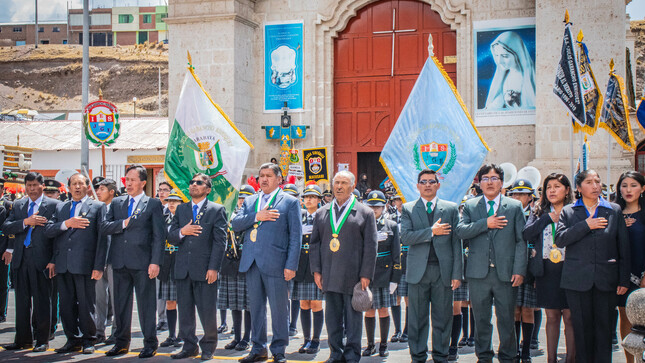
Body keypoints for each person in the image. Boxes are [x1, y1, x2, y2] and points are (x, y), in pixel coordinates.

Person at [555, 169, 630, 363]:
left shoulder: (613, 209)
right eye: (589, 182)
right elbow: (561, 239)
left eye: (597, 181)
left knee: (604, 329)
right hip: (577, 281)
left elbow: (623, 247)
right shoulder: (569, 211)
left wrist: (623, 279)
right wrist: (586, 225)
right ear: (579, 188)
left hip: (606, 279)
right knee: (581, 329)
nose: (595, 185)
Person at [456, 164, 527, 363]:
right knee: (481, 320)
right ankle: (484, 356)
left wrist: (519, 270)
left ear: (502, 183)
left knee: (506, 319)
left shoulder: (514, 207)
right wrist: (484, 224)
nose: (489, 182)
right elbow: (461, 231)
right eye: (485, 178)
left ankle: (508, 356)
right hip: (478, 273)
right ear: (479, 182)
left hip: (506, 273)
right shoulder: (471, 206)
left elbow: (521, 241)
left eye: (494, 178)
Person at [231, 163, 301, 363]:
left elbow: (295, 237)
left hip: (277, 263)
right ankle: (258, 348)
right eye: (261, 175)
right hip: (252, 262)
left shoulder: (289, 202)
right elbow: (236, 224)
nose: (264, 179)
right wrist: (256, 217)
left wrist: (291, 265)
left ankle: (279, 349)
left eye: (269, 175)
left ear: (279, 179)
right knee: (256, 308)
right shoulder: (251, 200)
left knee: (279, 308)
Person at [310, 170, 377, 363]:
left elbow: (371, 246)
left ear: (353, 187)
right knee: (332, 319)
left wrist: (366, 274)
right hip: (329, 275)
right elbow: (314, 244)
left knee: (353, 319)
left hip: (354, 276)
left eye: (343, 183)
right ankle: (335, 353)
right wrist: (317, 270)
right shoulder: (322, 212)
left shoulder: (364, 212)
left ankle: (352, 354)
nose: (339, 186)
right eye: (336, 182)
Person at [101, 165, 165, 358]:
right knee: (120, 305)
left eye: (132, 180)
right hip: (119, 262)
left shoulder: (152, 204)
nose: (128, 183)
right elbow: (104, 227)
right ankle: (121, 343)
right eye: (126, 179)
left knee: (146, 306)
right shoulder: (117, 203)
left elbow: (158, 236)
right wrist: (123, 223)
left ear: (143, 182)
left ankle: (150, 343)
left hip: (144, 263)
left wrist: (155, 262)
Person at [402, 170, 462, 363]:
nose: (427, 185)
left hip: (442, 272)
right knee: (417, 319)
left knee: (442, 318)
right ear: (417, 185)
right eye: (423, 182)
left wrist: (456, 273)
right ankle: (418, 356)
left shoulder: (451, 209)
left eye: (431, 181)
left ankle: (441, 356)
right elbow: (405, 237)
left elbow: (456, 243)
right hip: (418, 272)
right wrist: (431, 232)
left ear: (438, 184)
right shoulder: (408, 208)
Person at [44, 173, 107, 354]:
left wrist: (99, 266)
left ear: (87, 186)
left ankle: (89, 340)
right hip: (63, 265)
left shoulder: (98, 207)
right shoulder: (61, 208)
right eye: (74, 184)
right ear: (69, 187)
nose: (77, 187)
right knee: (66, 305)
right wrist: (67, 224)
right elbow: (49, 231)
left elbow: (103, 239)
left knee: (87, 305)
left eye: (81, 183)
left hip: (86, 265)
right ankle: (73, 339)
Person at [167, 173, 227, 360]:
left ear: (208, 189)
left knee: (207, 310)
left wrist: (214, 268)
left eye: (199, 183)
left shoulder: (216, 210)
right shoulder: (182, 209)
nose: (193, 185)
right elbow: (170, 236)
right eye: (192, 182)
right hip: (183, 268)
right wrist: (182, 232)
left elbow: (220, 242)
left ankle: (208, 346)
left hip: (205, 269)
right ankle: (189, 345)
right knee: (184, 310)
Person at [2, 171, 60, 352]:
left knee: (43, 301)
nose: (32, 189)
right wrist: (26, 221)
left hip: (42, 260)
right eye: (29, 186)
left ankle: (42, 340)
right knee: (22, 302)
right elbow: (6, 226)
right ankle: (23, 339)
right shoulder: (18, 205)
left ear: (42, 186)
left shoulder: (54, 205)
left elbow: (58, 236)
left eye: (35, 185)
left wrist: (54, 260)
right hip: (21, 259)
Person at [524, 173, 575, 363]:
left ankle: (571, 358)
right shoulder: (538, 211)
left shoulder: (575, 211)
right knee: (552, 316)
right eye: (549, 187)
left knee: (570, 317)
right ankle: (551, 359)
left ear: (567, 190)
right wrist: (547, 219)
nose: (552, 191)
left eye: (557, 186)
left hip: (570, 268)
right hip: (547, 269)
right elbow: (527, 234)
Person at [362, 190, 401, 358]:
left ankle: (383, 345)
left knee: (384, 310)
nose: (374, 209)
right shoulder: (361, 223)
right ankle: (370, 345)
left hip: (385, 274)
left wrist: (395, 279)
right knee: (369, 310)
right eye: (371, 206)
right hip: (367, 273)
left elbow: (396, 253)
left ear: (384, 206)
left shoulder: (391, 225)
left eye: (377, 206)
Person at [220, 185, 255, 352]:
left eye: (245, 198)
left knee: (248, 305)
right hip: (231, 264)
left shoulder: (253, 217)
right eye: (240, 198)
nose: (242, 201)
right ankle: (237, 337)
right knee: (234, 304)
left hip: (247, 264)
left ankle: (247, 337)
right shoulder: (230, 216)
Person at [615, 171, 645, 363]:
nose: (628, 190)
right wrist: (617, 227)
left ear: (642, 188)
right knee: (625, 318)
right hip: (622, 276)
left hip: (642, 274)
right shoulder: (613, 213)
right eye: (624, 185)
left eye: (633, 185)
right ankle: (630, 360)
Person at [292, 184, 325, 355]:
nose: (309, 200)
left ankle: (316, 340)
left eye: (313, 197)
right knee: (304, 303)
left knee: (316, 303)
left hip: (316, 265)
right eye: (306, 197)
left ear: (319, 200)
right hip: (301, 264)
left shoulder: (323, 216)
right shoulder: (299, 216)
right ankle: (306, 340)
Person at [506, 178, 537, 363]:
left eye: (522, 194)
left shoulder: (535, 214)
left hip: (530, 266)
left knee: (527, 310)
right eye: (515, 194)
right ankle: (515, 349)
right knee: (514, 310)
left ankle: (526, 350)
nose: (518, 197)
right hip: (512, 266)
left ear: (529, 197)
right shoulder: (509, 213)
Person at [94, 178, 118, 345]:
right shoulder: (95, 209)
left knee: (117, 300)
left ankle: (116, 332)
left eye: (102, 189)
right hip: (98, 260)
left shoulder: (119, 208)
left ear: (111, 192)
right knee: (99, 299)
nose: (98, 192)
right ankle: (98, 331)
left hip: (115, 260)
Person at [484, 31, 536, 110]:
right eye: (497, 55)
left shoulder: (530, 76)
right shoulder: (504, 76)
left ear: (517, 54)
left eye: (504, 56)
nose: (499, 61)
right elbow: (498, 102)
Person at [158, 192, 183, 349]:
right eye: (169, 201)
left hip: (181, 262)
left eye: (175, 201)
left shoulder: (186, 219)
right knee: (169, 301)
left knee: (184, 302)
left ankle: (183, 334)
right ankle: (172, 334)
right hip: (167, 263)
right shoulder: (164, 219)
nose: (171, 203)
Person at [388, 194, 409, 344]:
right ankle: (397, 330)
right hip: (395, 261)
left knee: (408, 298)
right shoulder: (390, 218)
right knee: (395, 298)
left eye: (402, 199)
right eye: (397, 200)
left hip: (408, 259)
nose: (399, 203)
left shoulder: (412, 216)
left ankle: (407, 330)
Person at [282, 183, 301, 337]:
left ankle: (293, 324)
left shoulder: (302, 213)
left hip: (299, 259)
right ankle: (285, 322)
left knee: (295, 294)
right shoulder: (281, 211)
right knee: (285, 293)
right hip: (283, 257)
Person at [156, 181, 172, 332]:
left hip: (171, 255)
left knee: (171, 293)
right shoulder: (156, 210)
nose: (162, 193)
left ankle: (169, 320)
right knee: (159, 291)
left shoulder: (174, 211)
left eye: (165, 190)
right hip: (158, 256)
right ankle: (161, 318)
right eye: (160, 190)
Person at [0, 178, 13, 323]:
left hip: (2, 248)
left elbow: (11, 230)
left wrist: (10, 249)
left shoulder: (8, 205)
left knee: (2, 282)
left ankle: (1, 312)